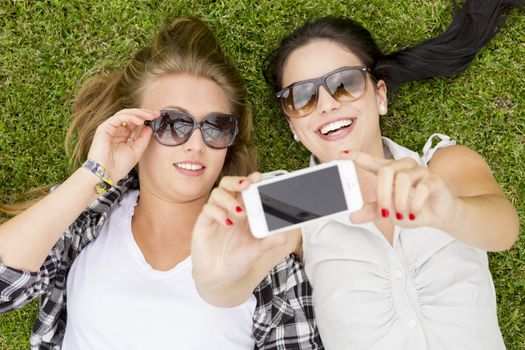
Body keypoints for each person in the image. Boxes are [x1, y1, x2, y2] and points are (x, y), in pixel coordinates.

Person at [191, 1, 522, 349]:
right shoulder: (294, 201)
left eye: (345, 83)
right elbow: (226, 289)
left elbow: (505, 231)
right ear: (293, 125)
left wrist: (452, 212)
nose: (326, 104)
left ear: (380, 95)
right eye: (301, 97)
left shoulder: (443, 166)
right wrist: (213, 272)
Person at [0, 18, 323, 349]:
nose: (196, 143)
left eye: (216, 126)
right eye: (172, 123)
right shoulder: (87, 216)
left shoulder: (262, 250)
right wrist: (94, 173)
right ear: (132, 126)